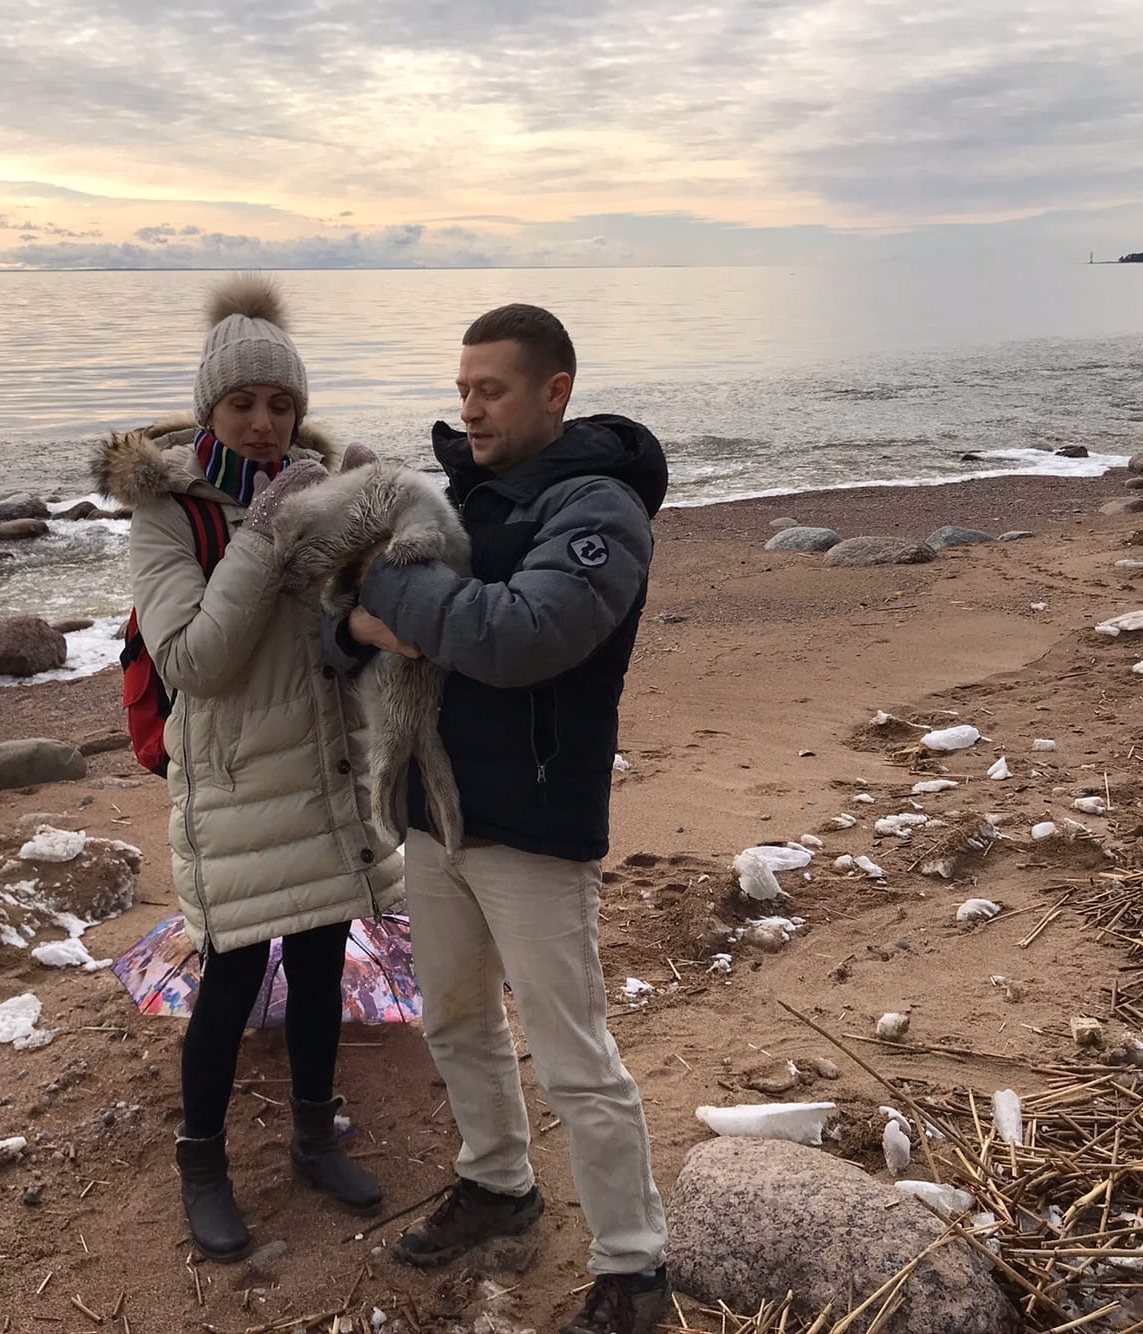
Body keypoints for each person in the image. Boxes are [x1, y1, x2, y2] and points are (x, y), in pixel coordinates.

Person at [346, 304, 671, 1334]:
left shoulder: (597, 508)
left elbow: (523, 635)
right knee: (452, 1016)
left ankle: (633, 1268)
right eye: (459, 389)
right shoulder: (466, 498)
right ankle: (495, 1181)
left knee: (574, 1051)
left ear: (553, 391)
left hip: (532, 819)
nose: (468, 407)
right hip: (437, 810)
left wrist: (383, 590)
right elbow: (348, 619)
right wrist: (357, 611)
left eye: (489, 388)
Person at [95, 275, 403, 1264]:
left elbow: (347, 632)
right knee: (228, 974)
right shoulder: (170, 513)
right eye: (243, 403)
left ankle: (315, 1133)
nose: (266, 422)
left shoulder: (316, 485)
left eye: (283, 404)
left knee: (319, 962)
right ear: (208, 409)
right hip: (230, 781)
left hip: (320, 764)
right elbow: (193, 659)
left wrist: (364, 539)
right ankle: (203, 1163)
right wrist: (266, 534)